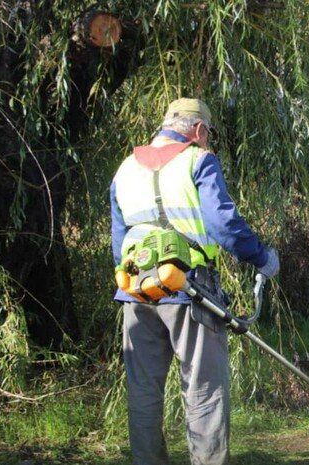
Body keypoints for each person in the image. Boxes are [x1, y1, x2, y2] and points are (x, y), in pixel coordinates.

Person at [110, 98, 279, 465]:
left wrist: (134, 283)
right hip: (191, 292)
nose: (207, 141)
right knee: (204, 389)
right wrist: (262, 258)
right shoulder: (198, 160)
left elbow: (118, 240)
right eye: (208, 135)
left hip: (135, 292)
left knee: (143, 392)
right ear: (199, 130)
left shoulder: (124, 170)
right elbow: (223, 225)